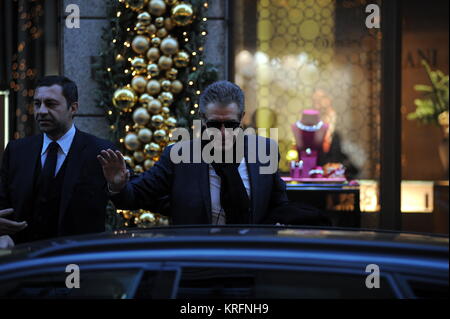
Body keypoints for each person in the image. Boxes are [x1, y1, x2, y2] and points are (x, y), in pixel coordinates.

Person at [99, 81, 293, 225]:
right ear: (203, 119)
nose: (223, 133)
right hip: (197, 260)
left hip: (252, 259)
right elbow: (136, 196)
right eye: (215, 124)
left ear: (242, 119)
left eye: (231, 125)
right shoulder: (178, 155)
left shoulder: (264, 150)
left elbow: (278, 205)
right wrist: (117, 186)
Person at [0, 75, 116, 245]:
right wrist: (3, 235)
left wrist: (116, 186)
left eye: (51, 104)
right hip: (23, 261)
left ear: (73, 108)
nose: (41, 111)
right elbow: (4, 200)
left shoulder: (99, 151)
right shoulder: (17, 151)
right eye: (37, 104)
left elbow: (126, 196)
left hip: (76, 261)